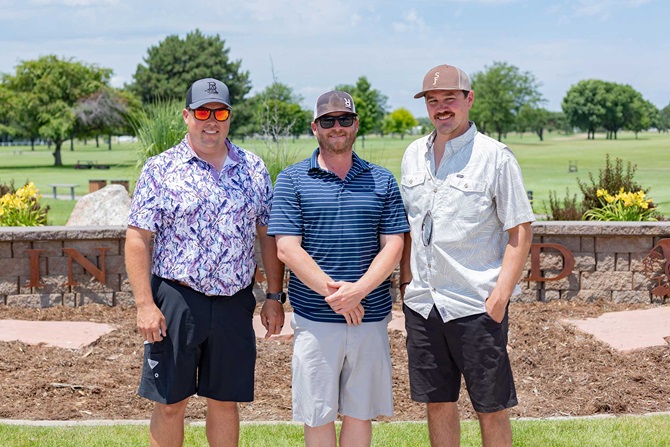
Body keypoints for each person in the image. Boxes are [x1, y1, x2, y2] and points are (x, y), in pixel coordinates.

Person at [125, 77, 285, 447]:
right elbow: (137, 237)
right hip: (177, 300)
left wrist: (274, 296)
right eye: (202, 111)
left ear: (229, 117)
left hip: (234, 301)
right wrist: (145, 305)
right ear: (187, 115)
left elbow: (267, 235)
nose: (210, 120)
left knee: (225, 402)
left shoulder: (253, 169)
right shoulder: (160, 169)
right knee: (169, 403)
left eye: (220, 112)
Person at [399, 65, 535, 447]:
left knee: (490, 407)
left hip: (476, 304)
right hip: (425, 305)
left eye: (449, 99)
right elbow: (411, 227)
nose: (441, 108)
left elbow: (520, 230)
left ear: (469, 99)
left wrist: (500, 296)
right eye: (433, 101)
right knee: (438, 403)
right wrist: (408, 285)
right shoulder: (413, 155)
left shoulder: (495, 157)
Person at [268, 91, 408, 447]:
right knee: (318, 415)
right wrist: (338, 295)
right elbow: (286, 248)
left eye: (344, 119)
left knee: (360, 414)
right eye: (328, 121)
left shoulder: (382, 180)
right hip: (315, 320)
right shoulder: (291, 180)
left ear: (356, 125)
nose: (337, 127)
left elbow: (394, 245)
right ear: (315, 128)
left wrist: (357, 292)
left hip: (370, 316)